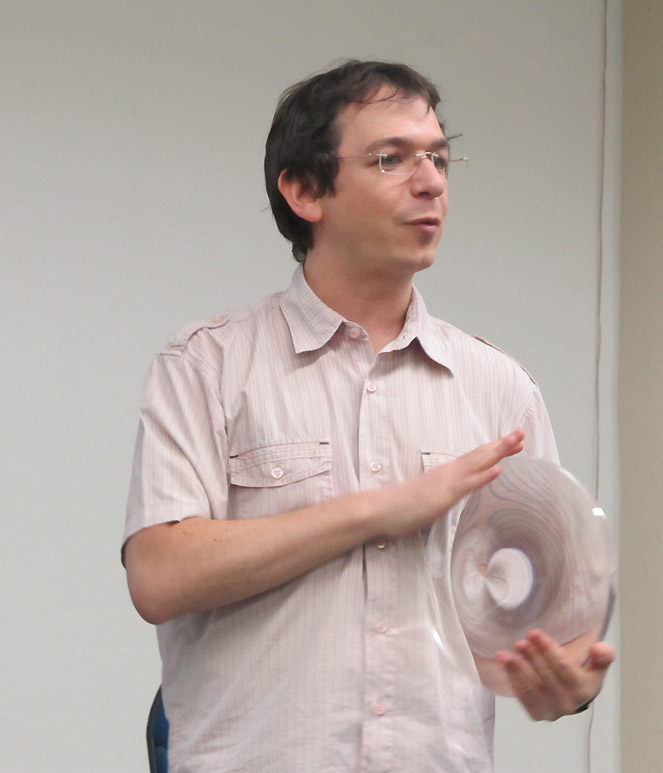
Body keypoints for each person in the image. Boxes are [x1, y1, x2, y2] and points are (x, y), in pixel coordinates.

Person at [123, 60, 615, 772]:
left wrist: (569, 680)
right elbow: (159, 576)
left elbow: (556, 625)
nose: (431, 181)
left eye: (439, 158)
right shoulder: (207, 363)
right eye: (392, 158)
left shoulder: (499, 387)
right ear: (304, 190)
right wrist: (382, 510)